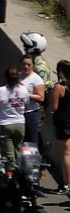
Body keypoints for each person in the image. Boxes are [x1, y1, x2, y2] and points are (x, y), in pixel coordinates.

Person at [0, 65, 28, 166]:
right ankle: (17, 174)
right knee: (17, 152)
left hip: (6, 125)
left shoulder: (2, 91)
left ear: (5, 77)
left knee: (8, 156)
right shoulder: (24, 90)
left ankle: (10, 176)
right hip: (21, 125)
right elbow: (26, 103)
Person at [20, 54, 46, 145]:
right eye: (24, 64)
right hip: (18, 113)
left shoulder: (36, 79)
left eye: (28, 65)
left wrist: (26, 94)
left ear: (33, 65)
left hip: (31, 114)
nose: (26, 67)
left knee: (31, 141)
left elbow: (41, 98)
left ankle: (35, 158)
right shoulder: (18, 76)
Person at [53, 60, 70, 193]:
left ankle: (66, 184)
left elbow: (54, 107)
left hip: (62, 122)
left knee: (65, 154)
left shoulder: (58, 87)